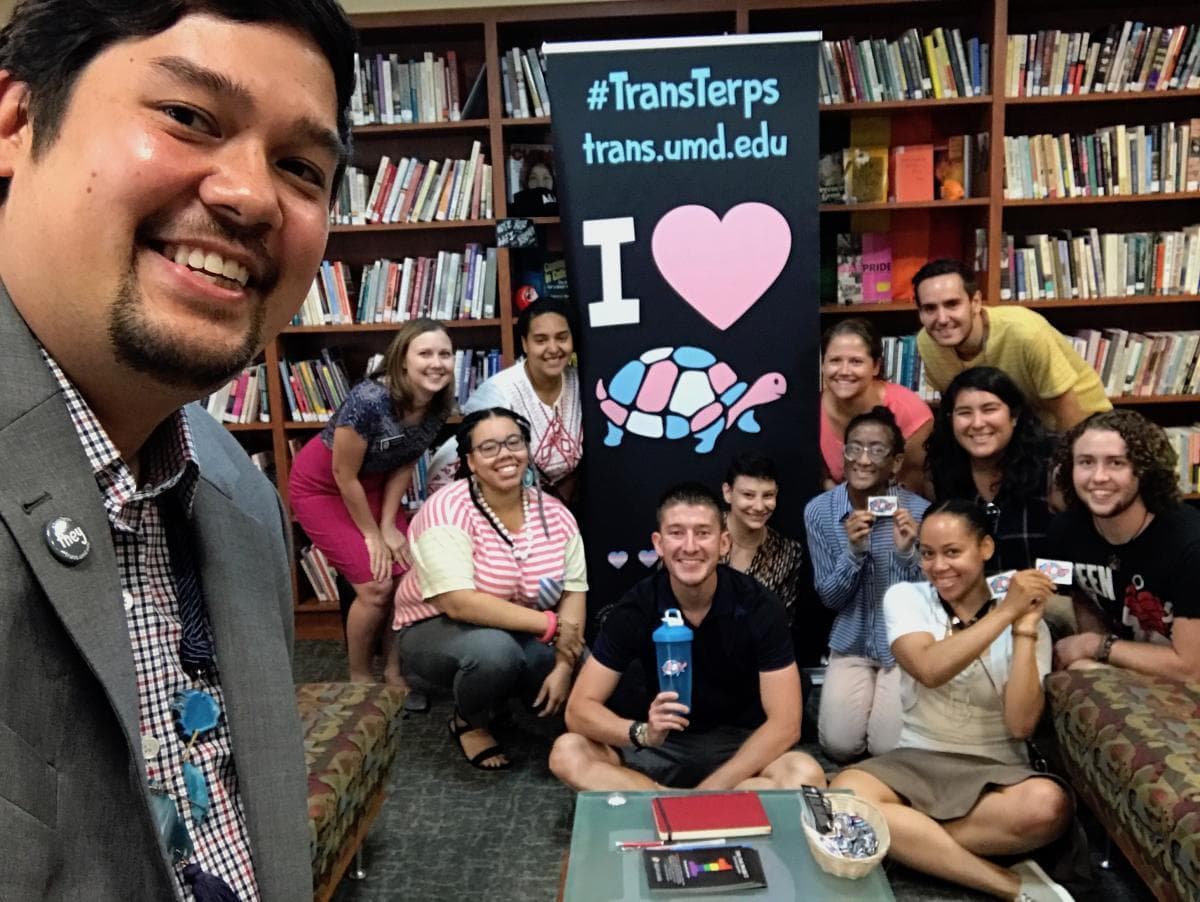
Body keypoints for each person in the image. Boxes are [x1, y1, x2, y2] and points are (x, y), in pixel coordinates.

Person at [0, 0, 355, 898]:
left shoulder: (237, 492)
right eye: (190, 117)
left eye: (301, 168)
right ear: (15, 122)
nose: (251, 196)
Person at [831, 500, 1075, 901]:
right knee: (845, 798)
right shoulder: (906, 598)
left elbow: (1021, 726)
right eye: (928, 554)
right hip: (915, 759)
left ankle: (906, 843)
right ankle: (1011, 884)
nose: (938, 566)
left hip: (997, 772)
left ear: (986, 549)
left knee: (1048, 807)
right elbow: (928, 668)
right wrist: (1006, 613)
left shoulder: (1027, 624)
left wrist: (1024, 629)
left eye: (952, 552)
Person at [549, 482, 826, 791]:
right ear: (659, 543)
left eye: (703, 533)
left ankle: (675, 810)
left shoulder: (759, 605)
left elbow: (785, 724)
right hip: (660, 747)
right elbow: (578, 710)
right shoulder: (636, 606)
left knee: (804, 773)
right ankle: (675, 804)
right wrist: (643, 732)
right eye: (677, 533)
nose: (690, 546)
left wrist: (711, 789)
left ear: (724, 543)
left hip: (739, 749)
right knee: (567, 753)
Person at [393, 408, 587, 770]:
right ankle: (469, 719)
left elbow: (574, 592)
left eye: (514, 442)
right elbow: (458, 603)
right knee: (495, 654)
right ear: (470, 460)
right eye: (489, 447)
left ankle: (500, 699)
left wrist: (563, 663)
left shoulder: (556, 513)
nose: (505, 454)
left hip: (523, 625)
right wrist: (552, 627)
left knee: (583, 667)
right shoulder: (447, 509)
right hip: (435, 628)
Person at [289, 318, 454, 688]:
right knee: (376, 586)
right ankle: (360, 676)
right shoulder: (369, 400)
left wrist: (388, 526)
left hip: (377, 484)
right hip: (325, 487)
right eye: (425, 353)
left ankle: (395, 670)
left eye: (445, 354)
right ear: (402, 361)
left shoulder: (440, 401)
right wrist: (372, 535)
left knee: (407, 575)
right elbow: (343, 475)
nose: (436, 363)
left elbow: (406, 459)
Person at [805, 407, 929, 762]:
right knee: (838, 745)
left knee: (886, 748)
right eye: (853, 448)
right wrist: (854, 552)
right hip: (852, 641)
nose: (862, 459)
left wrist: (908, 555)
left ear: (895, 462)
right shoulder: (820, 511)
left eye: (876, 450)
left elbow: (930, 598)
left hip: (902, 645)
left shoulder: (918, 513)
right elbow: (830, 597)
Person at [1047, 410, 1200, 682]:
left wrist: (1096, 645)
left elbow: (1191, 668)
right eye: (1086, 462)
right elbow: (1079, 592)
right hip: (1136, 664)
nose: (1099, 477)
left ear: (1143, 471)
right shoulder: (1064, 531)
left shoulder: (1190, 544)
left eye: (1116, 463)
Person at [913, 259, 1110, 432]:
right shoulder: (927, 342)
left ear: (975, 302)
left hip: (1082, 420)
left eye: (952, 304)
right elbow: (954, 406)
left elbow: (1068, 411)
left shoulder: (1025, 332)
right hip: (1015, 428)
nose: (942, 319)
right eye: (929, 308)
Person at [428, 297, 582, 500]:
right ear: (525, 344)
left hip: (550, 503)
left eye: (562, 338)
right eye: (541, 340)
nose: (553, 348)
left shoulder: (581, 384)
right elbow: (483, 467)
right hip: (485, 499)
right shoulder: (498, 393)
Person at [925, 366, 1055, 573]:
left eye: (989, 410)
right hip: (975, 599)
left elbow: (1071, 547)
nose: (977, 423)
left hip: (1047, 598)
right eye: (964, 413)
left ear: (1014, 416)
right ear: (950, 420)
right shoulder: (943, 470)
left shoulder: (1051, 466)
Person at [820, 317, 933, 493]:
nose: (844, 371)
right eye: (835, 360)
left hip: (897, 511)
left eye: (856, 361)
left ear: (875, 366)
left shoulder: (910, 412)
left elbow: (913, 487)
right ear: (823, 365)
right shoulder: (809, 409)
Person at [719, 451, 805, 624]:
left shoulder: (788, 551)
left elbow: (782, 622)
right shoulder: (700, 535)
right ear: (728, 493)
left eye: (768, 496)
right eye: (748, 495)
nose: (759, 507)